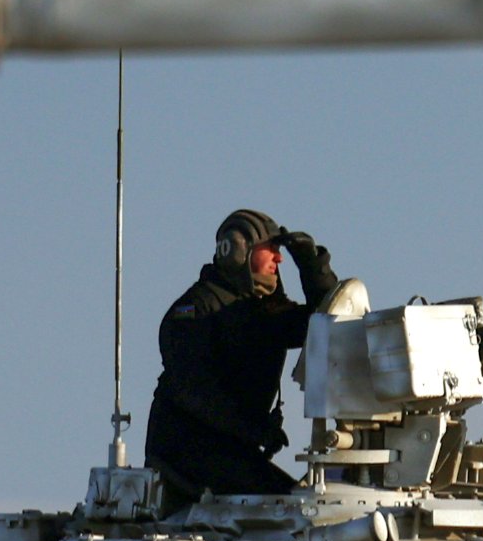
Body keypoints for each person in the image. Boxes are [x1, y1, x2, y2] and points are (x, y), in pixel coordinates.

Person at [144, 209, 340, 503]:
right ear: (239, 250)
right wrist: (255, 430)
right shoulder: (195, 312)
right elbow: (194, 391)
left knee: (306, 503)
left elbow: (323, 324)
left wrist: (312, 267)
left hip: (232, 454)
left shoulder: (260, 312)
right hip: (187, 457)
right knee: (290, 509)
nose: (279, 258)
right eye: (271, 249)